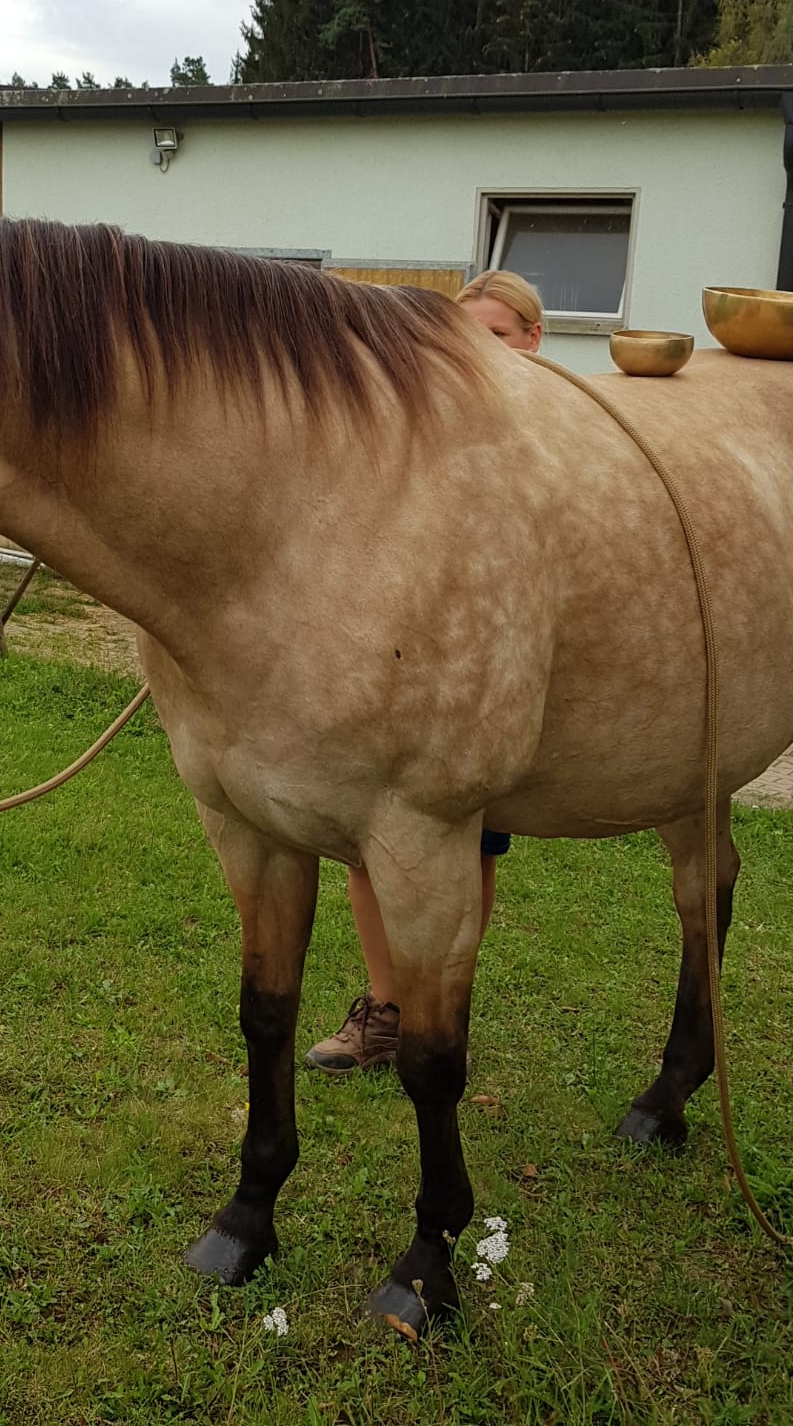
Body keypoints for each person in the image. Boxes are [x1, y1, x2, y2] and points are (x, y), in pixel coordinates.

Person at [304, 269, 544, 1074]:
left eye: (497, 335)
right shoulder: (418, 424)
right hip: (392, 669)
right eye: (464, 334)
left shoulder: (551, 435)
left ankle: (440, 1002)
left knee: (468, 855)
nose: (477, 352)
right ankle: (385, 1006)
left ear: (533, 340)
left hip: (477, 681)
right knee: (366, 855)